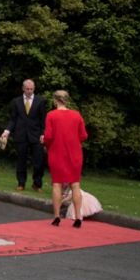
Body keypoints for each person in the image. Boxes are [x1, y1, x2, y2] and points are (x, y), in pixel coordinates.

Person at [42, 90, 88, 228]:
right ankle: (78, 216)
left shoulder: (51, 115)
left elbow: (48, 136)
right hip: (74, 152)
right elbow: (84, 135)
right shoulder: (76, 115)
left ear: (55, 100)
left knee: (57, 183)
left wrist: (47, 146)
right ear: (67, 101)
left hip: (57, 151)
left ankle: (57, 216)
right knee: (75, 184)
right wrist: (75, 141)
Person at [1, 79, 48, 193]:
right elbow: (13, 118)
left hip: (36, 136)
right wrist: (7, 131)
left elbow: (44, 120)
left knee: (38, 160)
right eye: (27, 89)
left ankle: (37, 184)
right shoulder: (16, 101)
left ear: (34, 88)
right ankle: (21, 183)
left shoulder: (40, 101)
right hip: (21, 135)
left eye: (31, 89)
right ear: (23, 88)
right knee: (21, 160)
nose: (29, 91)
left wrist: (43, 134)